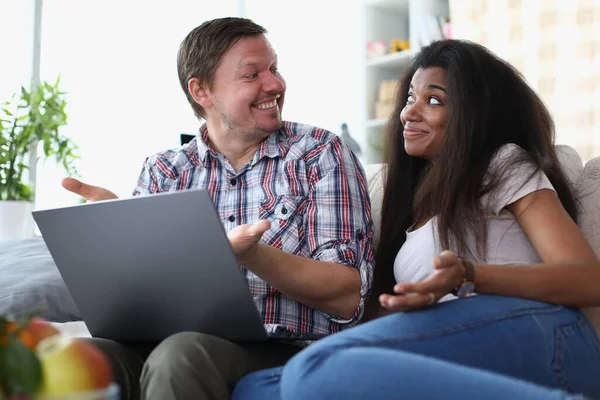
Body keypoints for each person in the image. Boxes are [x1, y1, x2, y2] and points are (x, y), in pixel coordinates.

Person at [231, 39, 600, 399]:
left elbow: (588, 278)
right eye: (410, 98)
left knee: (313, 370)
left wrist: (469, 276)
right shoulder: (415, 204)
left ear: (474, 115)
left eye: (434, 100)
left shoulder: (502, 163)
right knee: (256, 388)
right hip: (458, 345)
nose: (409, 112)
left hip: (544, 334)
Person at [61, 17, 374, 400]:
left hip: (282, 348)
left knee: (181, 355)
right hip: (165, 340)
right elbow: (145, 294)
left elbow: (347, 295)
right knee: (73, 357)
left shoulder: (318, 153)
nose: (274, 84)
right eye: (252, 74)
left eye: (273, 68)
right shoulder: (164, 170)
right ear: (202, 91)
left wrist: (252, 255)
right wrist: (115, 238)